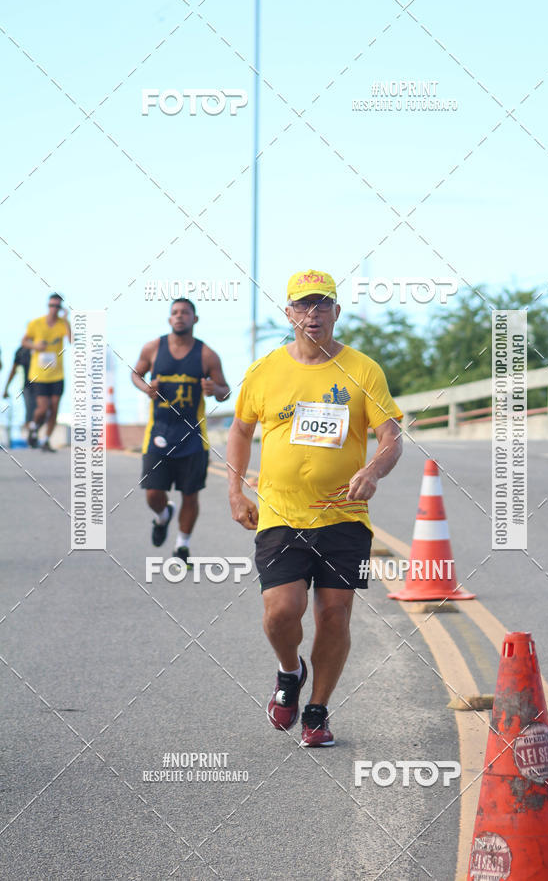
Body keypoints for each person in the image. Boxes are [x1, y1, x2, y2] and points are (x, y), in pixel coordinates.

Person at [227, 270, 403, 747]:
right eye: (303, 306)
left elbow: (391, 436)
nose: (313, 314)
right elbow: (240, 431)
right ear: (288, 313)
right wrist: (236, 490)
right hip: (282, 514)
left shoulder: (362, 369)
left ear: (337, 312)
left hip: (345, 517)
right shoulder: (264, 371)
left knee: (334, 615)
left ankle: (318, 711)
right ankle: (289, 673)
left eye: (322, 304)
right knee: (282, 610)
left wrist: (373, 471)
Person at [132, 298, 230, 563]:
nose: (179, 317)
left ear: (194, 319)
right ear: (169, 319)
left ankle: (181, 547)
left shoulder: (207, 354)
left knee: (190, 494)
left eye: (185, 313)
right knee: (153, 493)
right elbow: (136, 374)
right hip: (158, 435)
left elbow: (225, 391)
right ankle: (163, 515)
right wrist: (146, 388)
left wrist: (214, 390)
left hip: (193, 439)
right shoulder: (153, 348)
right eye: (174, 313)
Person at [22, 293, 71, 451]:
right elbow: (24, 341)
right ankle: (34, 426)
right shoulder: (36, 324)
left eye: (57, 306)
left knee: (55, 408)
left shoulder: (62, 324)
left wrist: (66, 320)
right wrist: (36, 346)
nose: (54, 309)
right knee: (43, 408)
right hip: (39, 374)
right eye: (52, 306)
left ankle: (46, 440)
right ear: (48, 306)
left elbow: (72, 340)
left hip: (57, 374)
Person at [3, 344, 36, 435]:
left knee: (44, 410)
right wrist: (6, 388)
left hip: (44, 384)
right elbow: (13, 370)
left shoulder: (44, 347)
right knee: (30, 412)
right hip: (27, 386)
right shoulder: (21, 351)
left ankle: (34, 433)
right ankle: (32, 435)